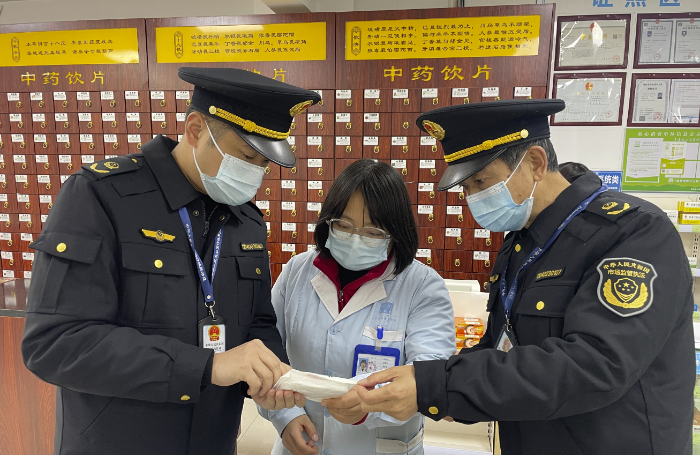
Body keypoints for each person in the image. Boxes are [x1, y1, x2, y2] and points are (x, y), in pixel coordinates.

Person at [334, 99, 695, 455]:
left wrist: (436, 385)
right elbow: (502, 349)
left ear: (535, 163)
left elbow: (595, 363)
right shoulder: (520, 243)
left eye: (481, 181)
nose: (473, 198)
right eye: (466, 188)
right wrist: (431, 386)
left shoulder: (633, 233)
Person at [21, 68, 321, 455]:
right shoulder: (101, 196)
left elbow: (257, 321)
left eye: (263, 163)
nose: (255, 173)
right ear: (195, 129)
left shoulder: (246, 220)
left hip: (214, 441)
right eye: (247, 156)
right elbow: (56, 343)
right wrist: (207, 367)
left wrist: (272, 377)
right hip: (119, 443)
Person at [259, 159, 455, 455]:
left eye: (373, 232)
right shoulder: (297, 272)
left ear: (396, 234)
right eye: (344, 225)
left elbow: (428, 375)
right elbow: (267, 352)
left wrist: (369, 406)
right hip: (302, 443)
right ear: (328, 222)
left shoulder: (423, 287)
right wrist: (284, 417)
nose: (355, 239)